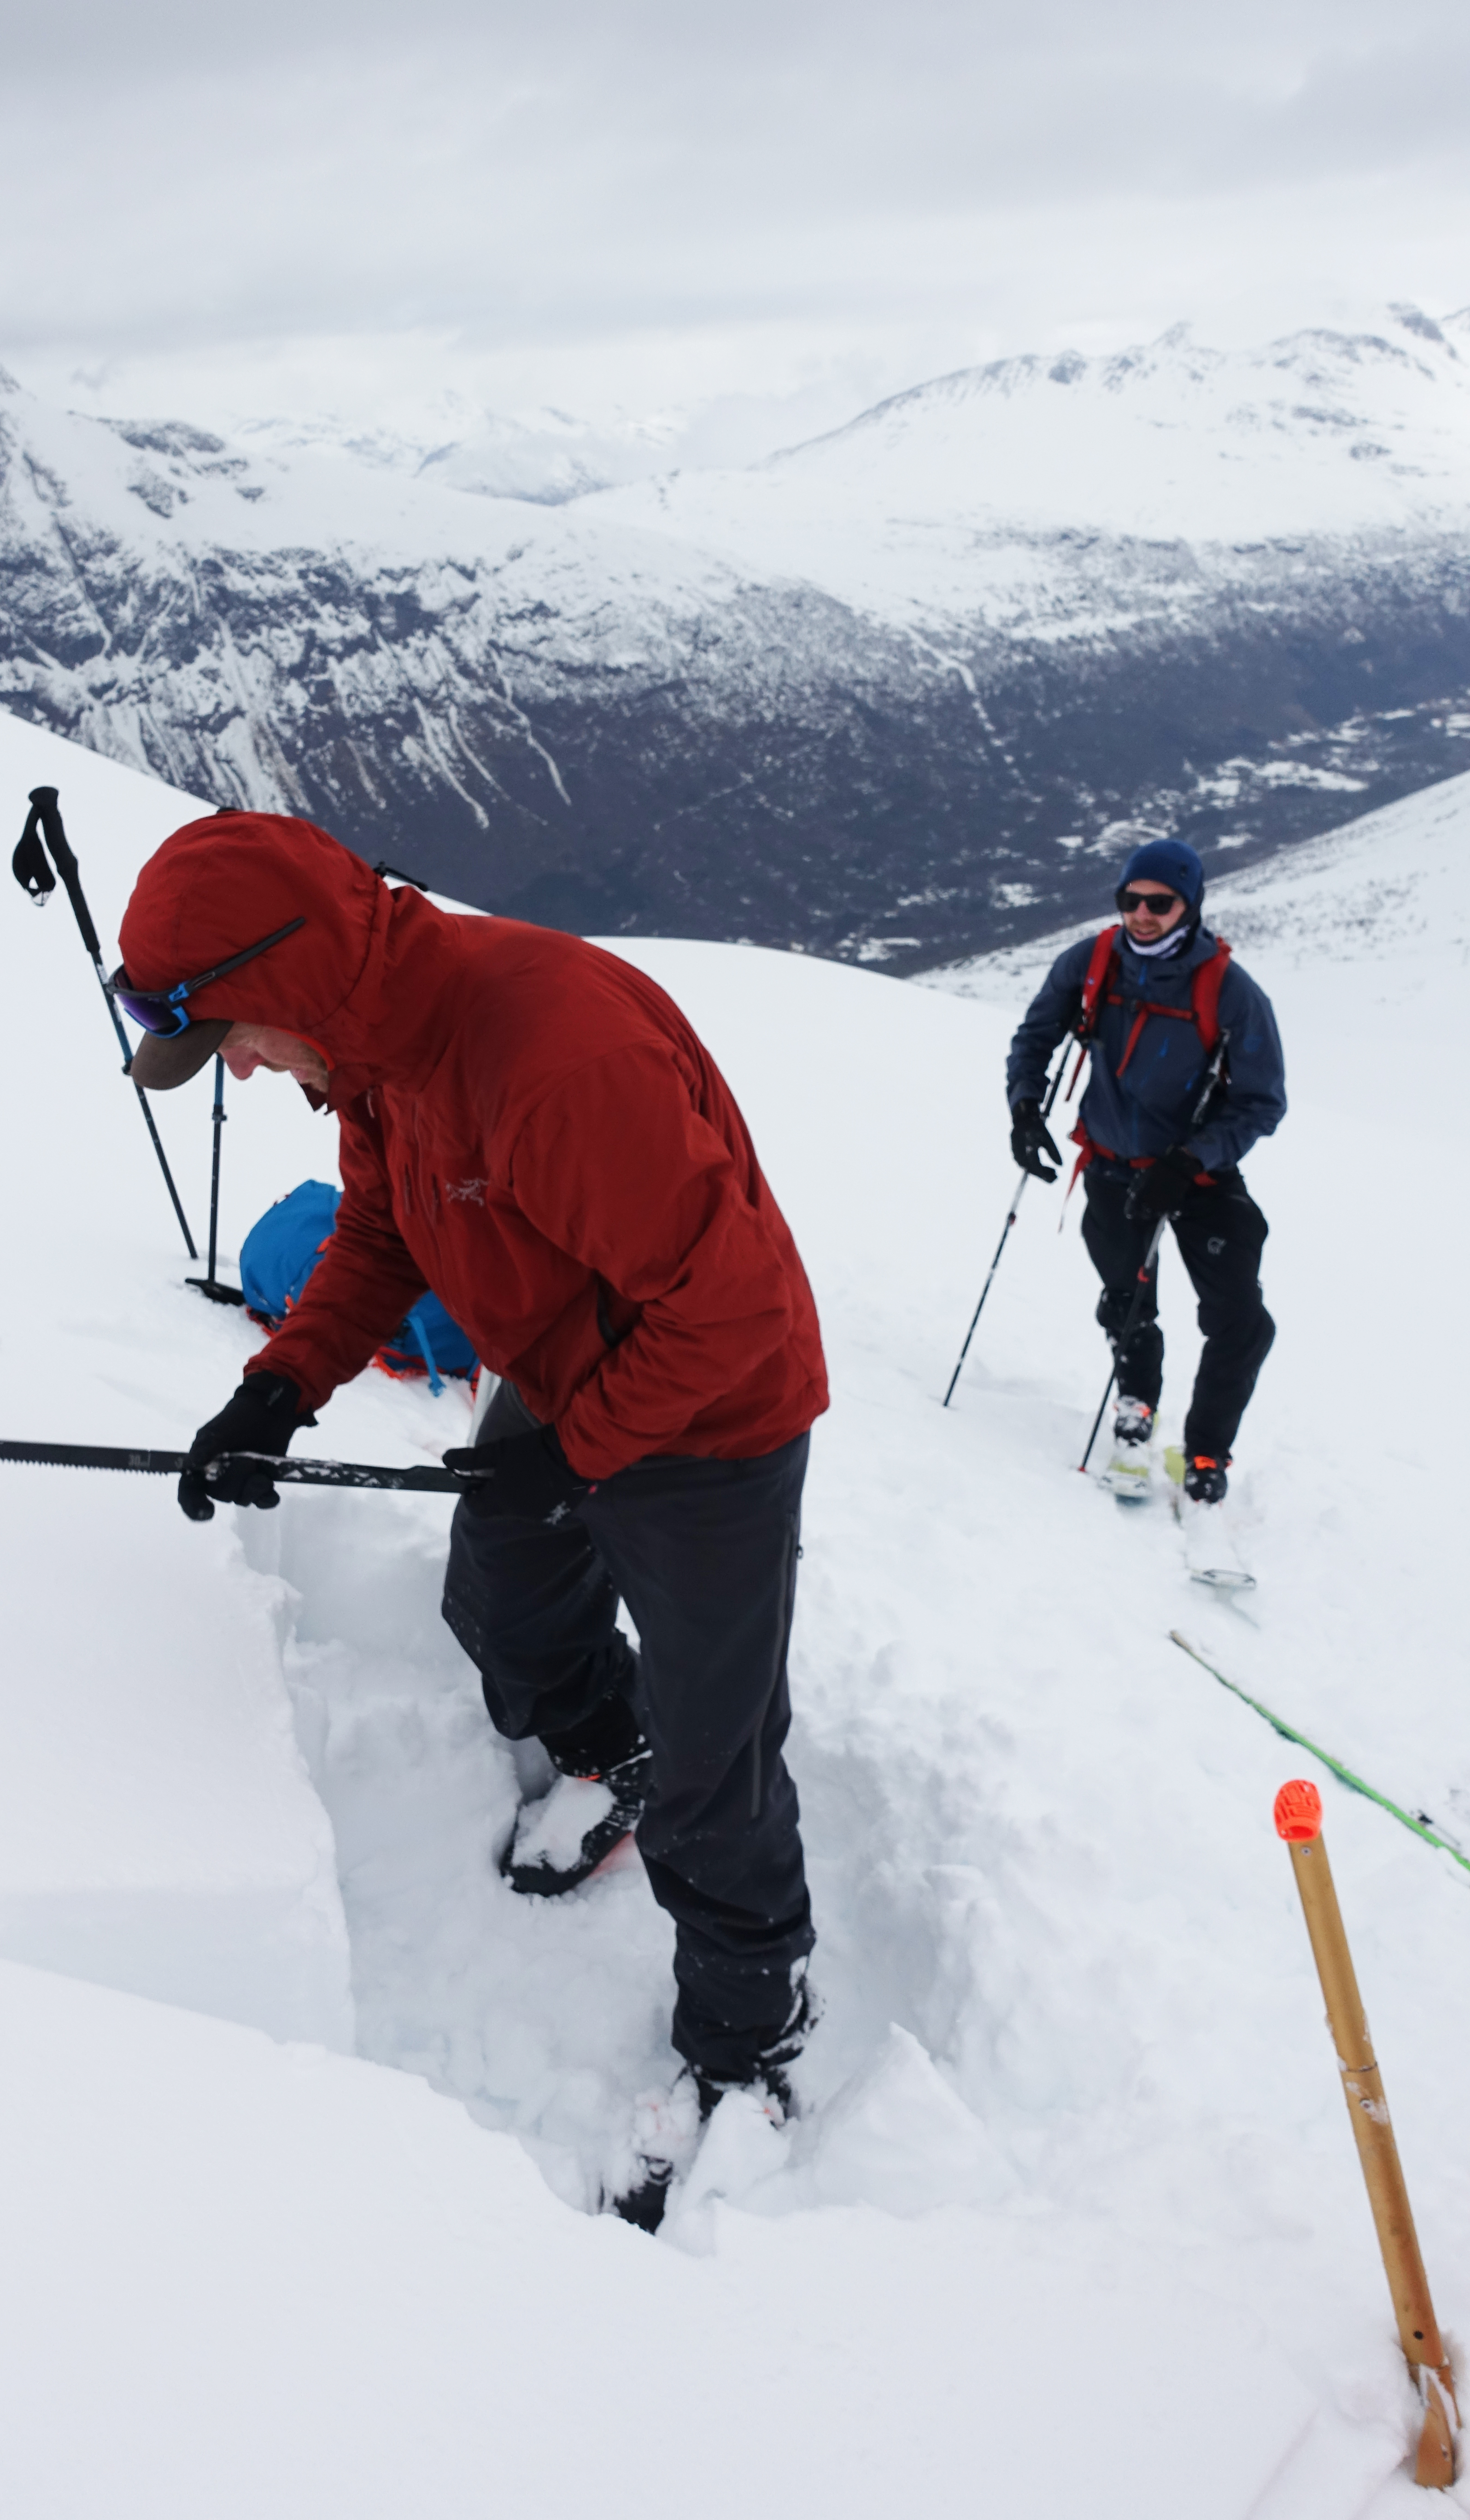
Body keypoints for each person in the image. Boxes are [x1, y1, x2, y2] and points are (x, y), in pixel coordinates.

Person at [112, 809, 828, 2222]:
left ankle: (753, 2045)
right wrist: (281, 1388)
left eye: (238, 1034)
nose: (242, 1069)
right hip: (576, 1378)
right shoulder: (382, 1047)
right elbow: (384, 1232)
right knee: (500, 1595)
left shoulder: (551, 1060)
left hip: (713, 1415)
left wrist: (588, 1450)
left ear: (299, 977)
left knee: (718, 1755)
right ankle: (599, 1750)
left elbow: (730, 1308)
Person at [1005, 838, 1285, 1501]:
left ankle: (1208, 1451)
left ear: (1190, 905)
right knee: (1126, 1300)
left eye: (1160, 903)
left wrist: (1192, 1160)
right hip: (1109, 1164)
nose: (1142, 914)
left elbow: (1261, 1101)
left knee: (1240, 1319)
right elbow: (1036, 1034)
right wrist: (1023, 1107)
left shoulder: (1231, 992)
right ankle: (1136, 1405)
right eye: (1131, 900)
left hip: (1197, 1179)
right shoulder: (1093, 962)